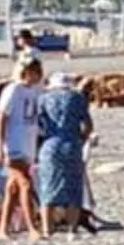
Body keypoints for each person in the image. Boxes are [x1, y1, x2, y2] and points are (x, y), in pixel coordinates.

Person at [33, 64, 95, 234]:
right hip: (72, 143)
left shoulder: (43, 99)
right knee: (73, 186)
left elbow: (37, 124)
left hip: (50, 144)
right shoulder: (77, 98)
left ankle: (47, 228)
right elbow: (88, 125)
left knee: (48, 186)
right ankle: (72, 228)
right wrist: (81, 139)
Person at [0, 52, 46, 240]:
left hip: (28, 144)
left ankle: (2, 228)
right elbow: (2, 118)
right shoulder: (13, 90)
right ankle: (32, 228)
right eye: (34, 71)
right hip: (14, 143)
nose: (38, 75)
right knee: (25, 183)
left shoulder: (34, 91)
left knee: (13, 188)